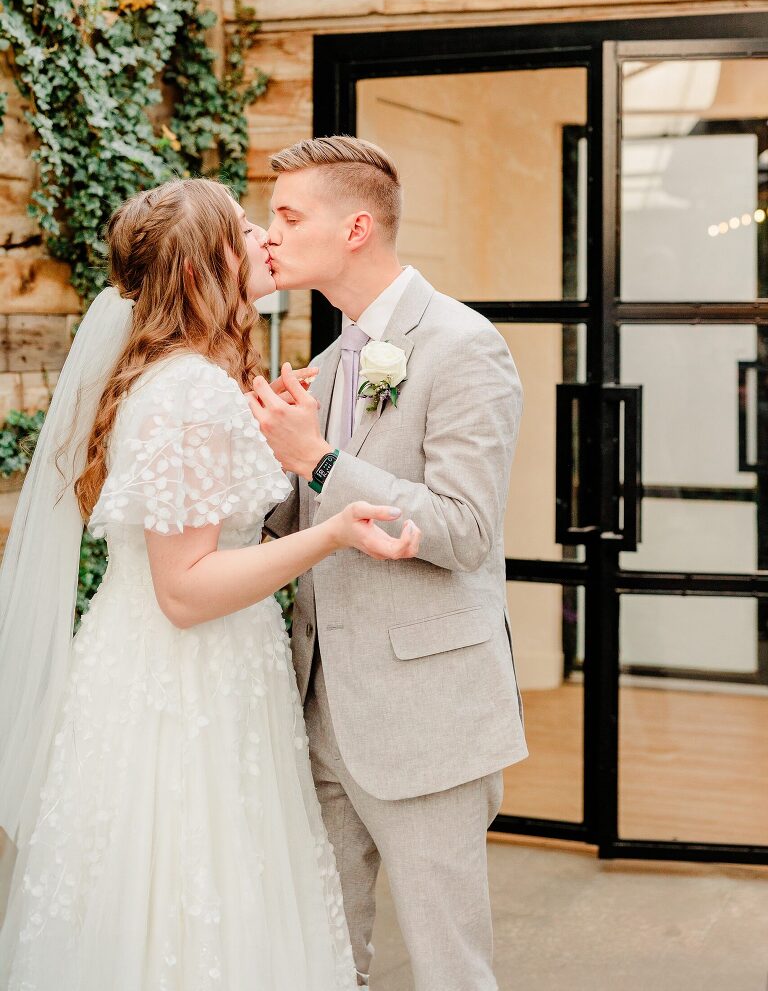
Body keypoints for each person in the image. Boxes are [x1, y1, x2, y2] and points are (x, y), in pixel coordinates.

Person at [0, 177, 420, 991]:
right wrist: (330, 534)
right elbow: (185, 591)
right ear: (200, 274)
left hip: (186, 669)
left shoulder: (192, 375)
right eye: (244, 229)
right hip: (181, 684)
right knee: (192, 896)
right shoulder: (189, 391)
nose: (266, 237)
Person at [253, 136, 528, 991]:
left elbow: (464, 527)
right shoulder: (329, 360)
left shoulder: (464, 345)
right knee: (328, 962)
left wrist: (321, 461)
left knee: (451, 970)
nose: (270, 234)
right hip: (316, 711)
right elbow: (287, 526)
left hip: (426, 720)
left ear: (357, 227)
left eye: (289, 216)